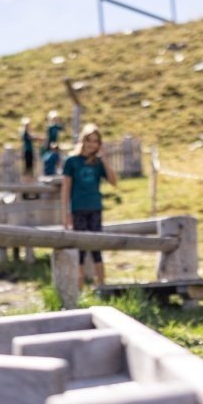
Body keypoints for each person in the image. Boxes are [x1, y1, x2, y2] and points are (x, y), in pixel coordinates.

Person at [61, 123, 118, 287]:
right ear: (83, 141)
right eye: (89, 140)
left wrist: (105, 159)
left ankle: (102, 286)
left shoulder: (98, 163)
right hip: (78, 209)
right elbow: (66, 189)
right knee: (79, 249)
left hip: (95, 208)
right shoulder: (71, 161)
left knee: (96, 248)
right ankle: (79, 288)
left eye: (96, 141)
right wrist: (65, 213)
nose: (92, 144)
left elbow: (114, 182)